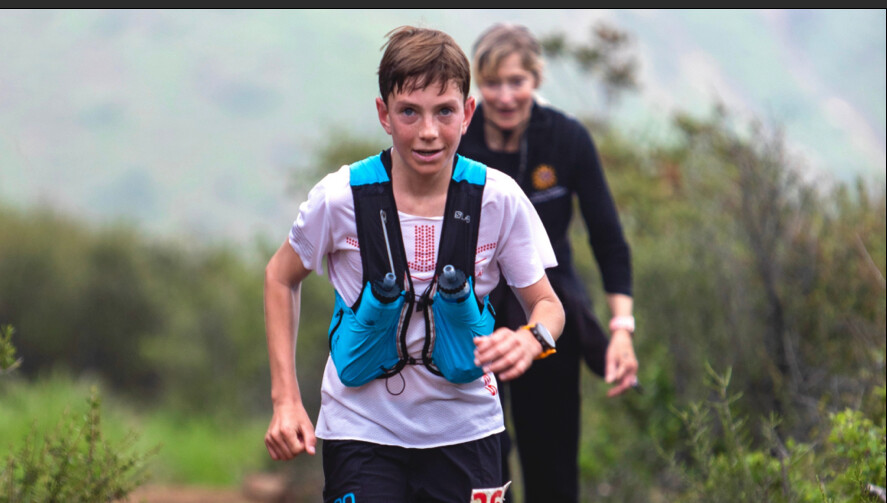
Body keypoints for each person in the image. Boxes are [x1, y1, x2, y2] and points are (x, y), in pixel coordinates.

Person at [263, 25, 566, 503]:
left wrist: (532, 340)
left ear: (467, 113)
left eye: (444, 111)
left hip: (468, 431)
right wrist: (285, 400)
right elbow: (280, 277)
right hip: (360, 431)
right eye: (409, 111)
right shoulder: (341, 197)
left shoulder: (498, 198)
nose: (428, 132)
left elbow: (548, 304)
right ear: (384, 114)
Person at [457, 23, 639, 503]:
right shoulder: (459, 139)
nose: (505, 96)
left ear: (536, 79)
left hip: (549, 310)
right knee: (481, 463)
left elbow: (609, 240)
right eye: (492, 83)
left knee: (552, 461)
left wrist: (621, 329)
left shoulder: (567, 138)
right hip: (472, 317)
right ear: (478, 86)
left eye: (516, 81)